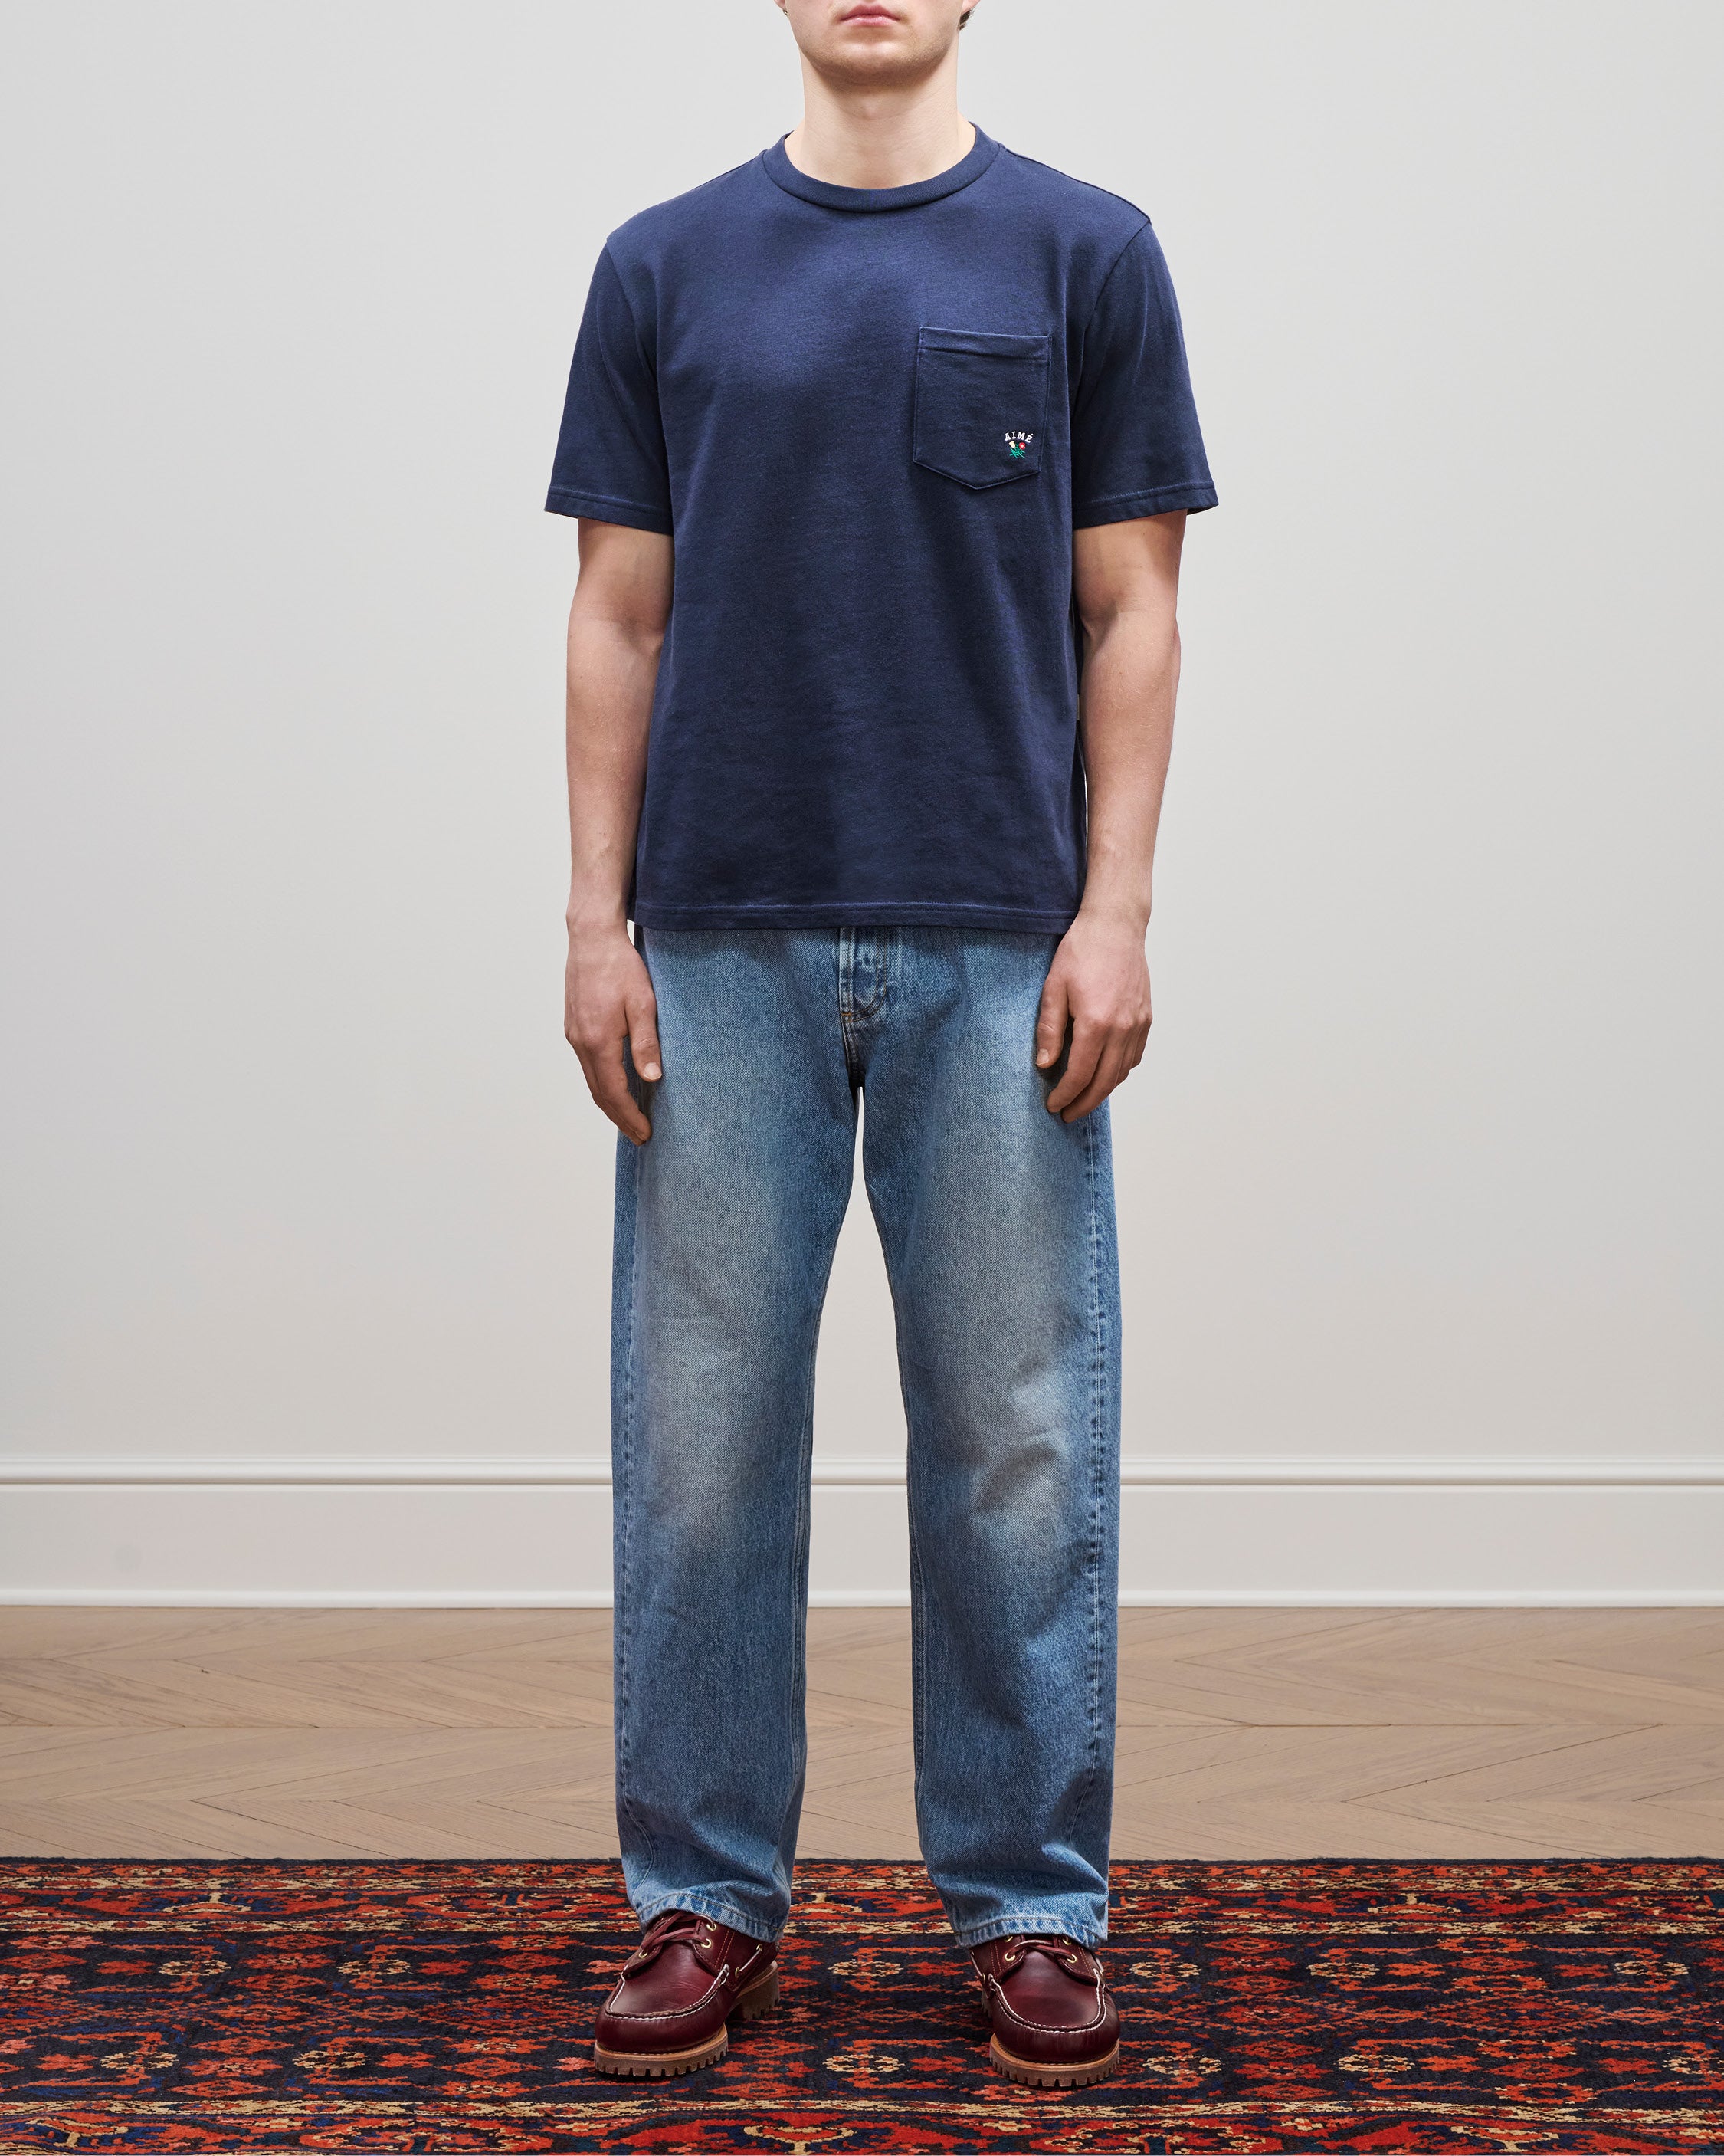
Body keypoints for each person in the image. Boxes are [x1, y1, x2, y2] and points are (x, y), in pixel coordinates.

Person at [548, 0, 1214, 2092]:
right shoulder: (663, 263)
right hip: (719, 929)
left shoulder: (1080, 252)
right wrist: (593, 923)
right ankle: (698, 1895)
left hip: (1000, 932)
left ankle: (1029, 1911)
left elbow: (1133, 607)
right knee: (699, 1445)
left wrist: (1112, 914)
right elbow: (616, 615)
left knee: (1017, 1442)